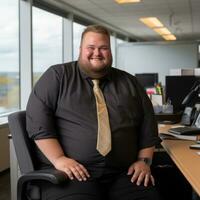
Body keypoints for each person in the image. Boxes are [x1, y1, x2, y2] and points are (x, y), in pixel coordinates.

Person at [26, 25, 161, 200]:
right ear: (81, 49)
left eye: (103, 48)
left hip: (125, 173)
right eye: (91, 47)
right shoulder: (57, 77)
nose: (97, 53)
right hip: (72, 172)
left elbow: (148, 128)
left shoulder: (131, 83)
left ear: (110, 51)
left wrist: (144, 161)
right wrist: (59, 159)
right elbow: (38, 124)